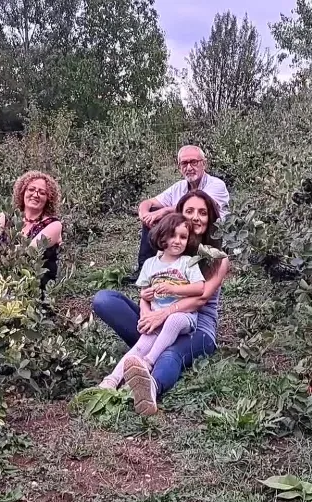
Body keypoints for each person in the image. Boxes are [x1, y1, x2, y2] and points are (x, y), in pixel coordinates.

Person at [93, 191, 230, 416]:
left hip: (195, 327)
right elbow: (147, 291)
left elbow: (201, 297)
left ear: (211, 218)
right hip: (159, 320)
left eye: (202, 212)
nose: (196, 217)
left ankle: (149, 387)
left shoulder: (217, 258)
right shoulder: (167, 251)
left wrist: (164, 314)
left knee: (171, 354)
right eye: (189, 211)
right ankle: (128, 365)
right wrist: (148, 314)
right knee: (105, 300)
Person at [97, 213, 205, 399]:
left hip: (183, 316)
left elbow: (200, 288)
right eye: (173, 235)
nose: (177, 241)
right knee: (140, 345)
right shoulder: (150, 264)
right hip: (156, 316)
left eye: (183, 237)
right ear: (162, 236)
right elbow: (144, 294)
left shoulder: (187, 262)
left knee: (173, 319)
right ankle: (112, 379)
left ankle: (149, 362)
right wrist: (145, 310)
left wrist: (173, 288)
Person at [133, 145, 229, 280]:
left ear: (204, 163)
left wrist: (164, 211)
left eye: (194, 162)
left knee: (164, 215)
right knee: (153, 213)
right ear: (179, 167)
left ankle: (188, 266)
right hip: (186, 232)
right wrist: (145, 214)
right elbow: (149, 203)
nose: (189, 167)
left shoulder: (216, 184)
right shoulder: (179, 187)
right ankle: (145, 267)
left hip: (208, 235)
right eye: (184, 163)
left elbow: (202, 205)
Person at [0, 170, 63, 296]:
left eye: (42, 193)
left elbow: (27, 252)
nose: (35, 195)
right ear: (23, 192)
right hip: (2, 272)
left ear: (48, 199)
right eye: (31, 189)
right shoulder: (5, 218)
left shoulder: (54, 225)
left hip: (31, 282)